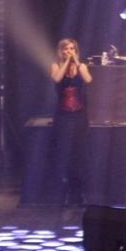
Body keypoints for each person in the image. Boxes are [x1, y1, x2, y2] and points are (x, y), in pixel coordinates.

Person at [50, 38, 92, 205]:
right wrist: (66, 62)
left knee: (79, 154)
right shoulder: (55, 66)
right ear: (61, 51)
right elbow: (57, 79)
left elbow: (88, 80)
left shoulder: (82, 66)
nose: (70, 51)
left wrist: (77, 64)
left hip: (79, 115)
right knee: (65, 152)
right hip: (63, 115)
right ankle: (66, 192)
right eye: (66, 49)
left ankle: (80, 192)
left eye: (72, 49)